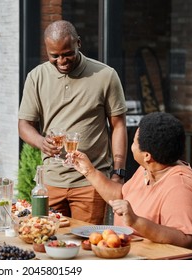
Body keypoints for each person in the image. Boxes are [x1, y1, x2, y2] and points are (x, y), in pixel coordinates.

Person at [18, 20, 127, 224]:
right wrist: (41, 142)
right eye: (54, 55)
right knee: (48, 240)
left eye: (67, 53)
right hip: (51, 181)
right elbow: (24, 125)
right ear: (47, 51)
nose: (62, 60)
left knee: (87, 246)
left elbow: (118, 125)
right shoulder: (36, 77)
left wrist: (118, 173)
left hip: (91, 182)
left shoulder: (105, 75)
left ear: (79, 43)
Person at [69, 112, 192, 250]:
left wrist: (136, 221)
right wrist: (89, 171)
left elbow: (186, 240)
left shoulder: (180, 187)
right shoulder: (148, 169)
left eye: (134, 142)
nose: (132, 146)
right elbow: (121, 197)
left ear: (147, 156)